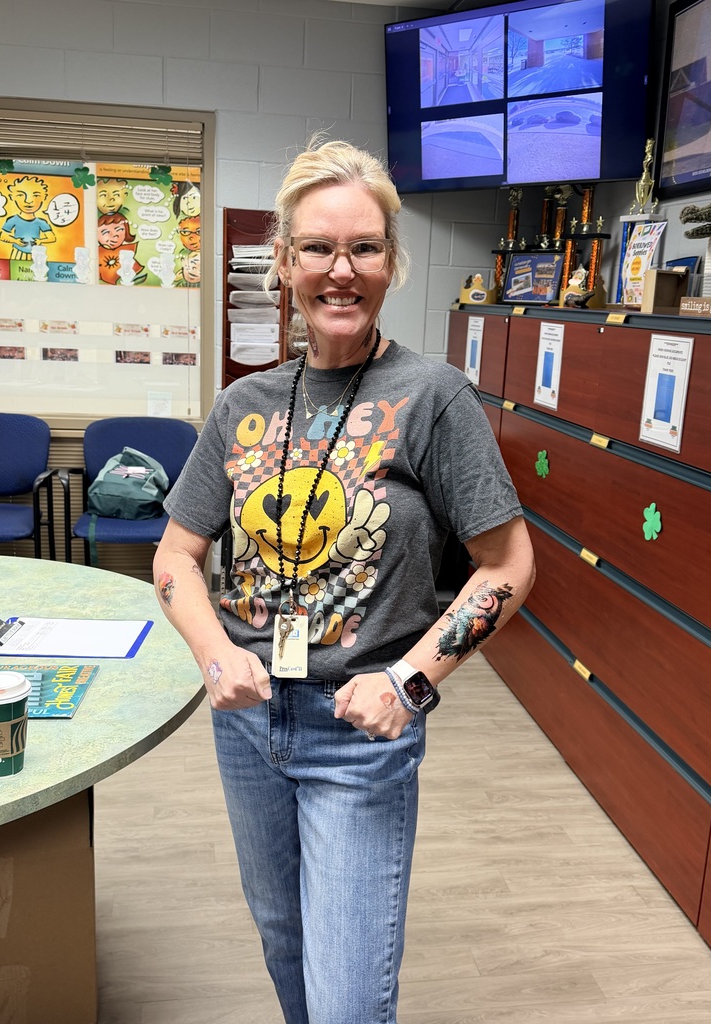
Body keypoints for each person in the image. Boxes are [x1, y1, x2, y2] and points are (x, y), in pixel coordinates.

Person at [154, 137, 535, 1024]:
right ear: (284, 262)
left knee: (350, 999)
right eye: (319, 248)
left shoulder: (434, 395)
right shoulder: (244, 405)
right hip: (248, 727)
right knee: (284, 943)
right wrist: (215, 655)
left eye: (364, 248)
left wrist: (412, 680)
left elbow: (508, 565)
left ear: (391, 264)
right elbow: (175, 556)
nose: (341, 270)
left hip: (360, 738)